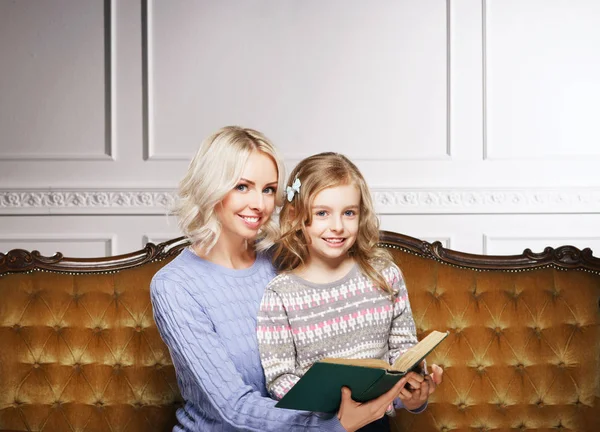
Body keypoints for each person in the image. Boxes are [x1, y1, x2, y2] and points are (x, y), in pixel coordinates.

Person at [150, 126, 414, 432]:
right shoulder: (175, 286)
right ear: (212, 187)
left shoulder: (287, 258)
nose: (260, 205)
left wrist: (400, 391)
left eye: (268, 189)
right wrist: (332, 424)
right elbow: (232, 408)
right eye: (242, 187)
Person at [256, 152, 443, 431]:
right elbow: (279, 379)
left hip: (376, 423)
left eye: (348, 213)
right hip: (320, 426)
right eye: (322, 213)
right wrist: (332, 410)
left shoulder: (384, 274)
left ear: (360, 214)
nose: (338, 226)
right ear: (297, 217)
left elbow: (402, 351)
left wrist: (414, 393)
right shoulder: (280, 294)